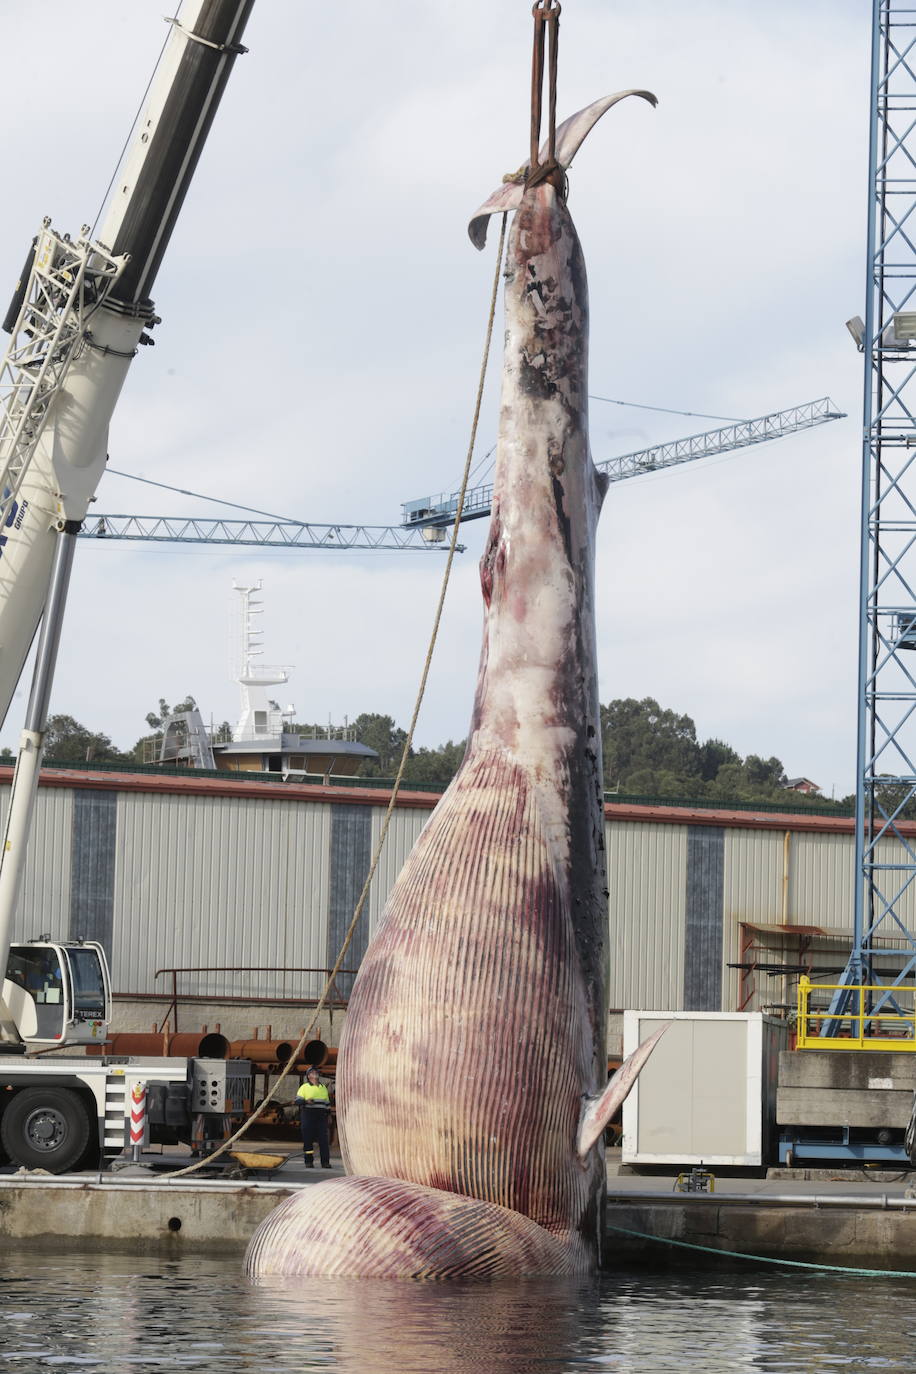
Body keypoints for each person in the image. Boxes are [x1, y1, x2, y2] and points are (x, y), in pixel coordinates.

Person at [296, 1065, 331, 1168]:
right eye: (312, 1072)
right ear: (308, 1076)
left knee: (323, 1140)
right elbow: (297, 1101)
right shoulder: (304, 1087)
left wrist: (329, 1116)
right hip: (308, 1115)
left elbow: (327, 1103)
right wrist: (306, 1101)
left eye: (316, 1072)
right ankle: (308, 1161)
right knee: (308, 1139)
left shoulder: (323, 1087)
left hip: (321, 1116)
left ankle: (325, 1162)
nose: (315, 1074)